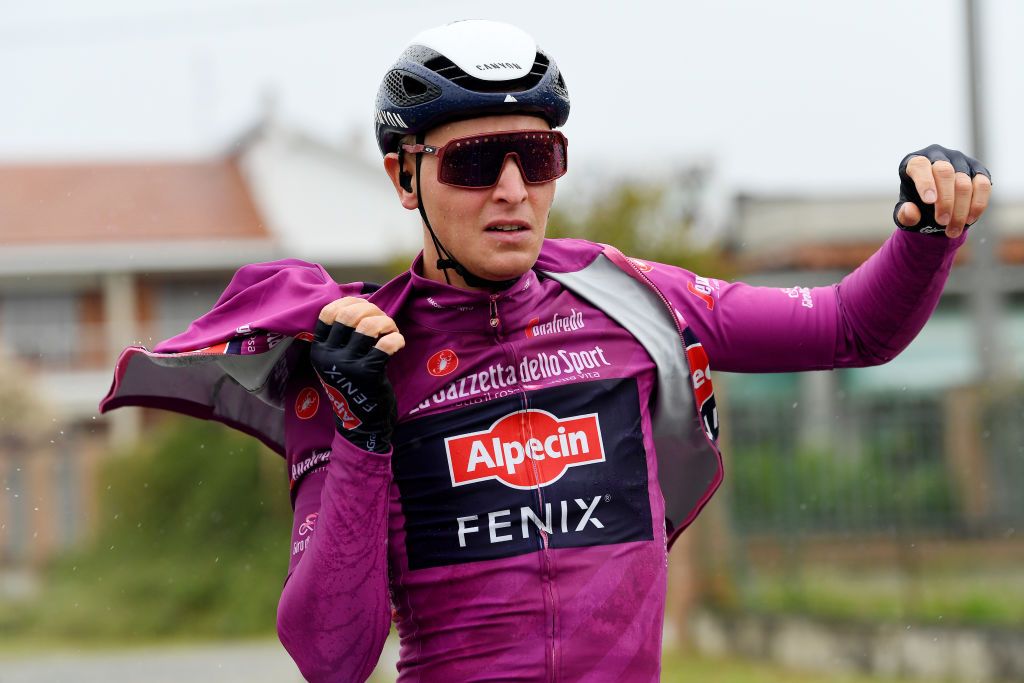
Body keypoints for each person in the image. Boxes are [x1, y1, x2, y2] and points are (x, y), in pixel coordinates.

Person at [100, 19, 991, 683]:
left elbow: (849, 327)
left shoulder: (632, 296)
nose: (514, 192)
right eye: (475, 164)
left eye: (538, 155)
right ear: (403, 176)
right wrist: (364, 436)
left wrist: (923, 234)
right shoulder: (356, 355)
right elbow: (331, 656)